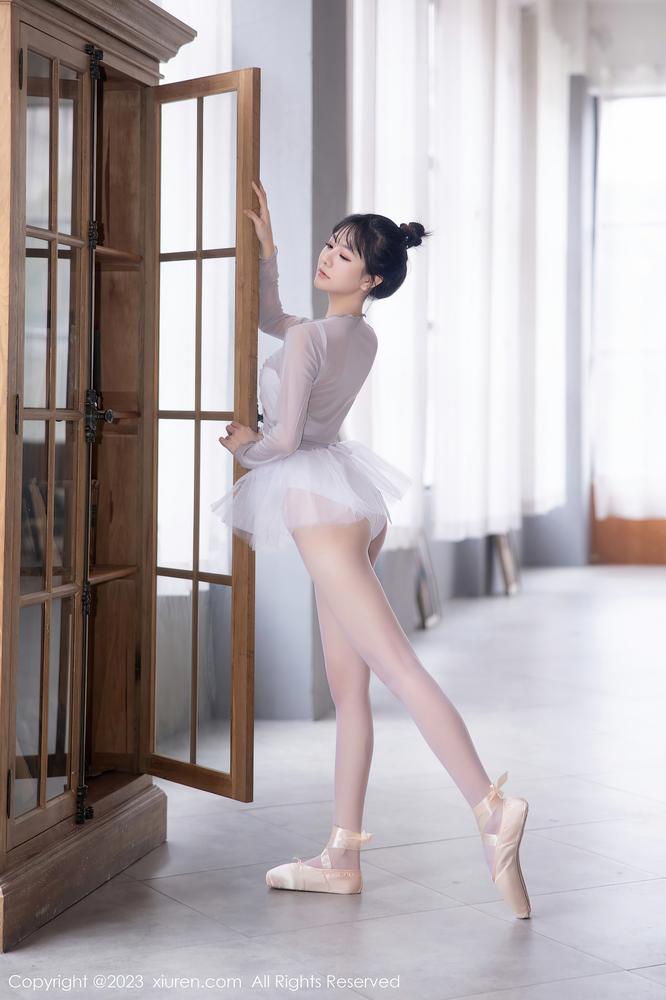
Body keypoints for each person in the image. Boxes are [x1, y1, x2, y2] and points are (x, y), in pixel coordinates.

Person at [211, 179, 531, 918]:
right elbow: (273, 319)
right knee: (349, 689)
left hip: (321, 510)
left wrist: (244, 446)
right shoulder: (359, 336)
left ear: (372, 278)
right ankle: (342, 856)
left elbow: (285, 440)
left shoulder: (311, 339)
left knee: (396, 669)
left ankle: (492, 810)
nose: (329, 256)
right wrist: (269, 251)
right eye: (330, 243)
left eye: (345, 253)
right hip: (352, 504)